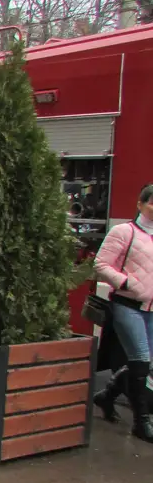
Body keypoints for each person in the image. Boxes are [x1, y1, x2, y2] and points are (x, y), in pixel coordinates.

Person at [93, 184, 153, 442]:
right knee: (140, 360)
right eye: (152, 202)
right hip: (127, 306)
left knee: (140, 363)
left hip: (151, 310)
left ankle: (106, 397)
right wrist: (126, 283)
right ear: (140, 204)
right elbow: (101, 264)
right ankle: (142, 422)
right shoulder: (124, 232)